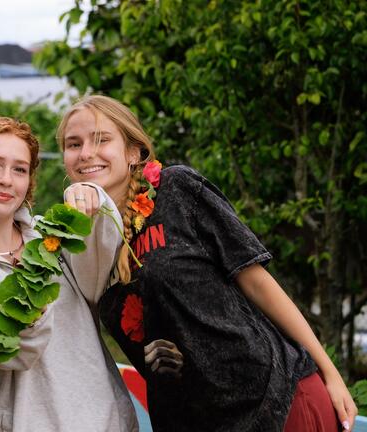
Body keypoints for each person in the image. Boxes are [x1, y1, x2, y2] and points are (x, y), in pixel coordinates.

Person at [58, 94, 357, 432]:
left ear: (133, 152)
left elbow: (256, 281)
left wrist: (329, 371)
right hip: (195, 422)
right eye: (73, 144)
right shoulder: (75, 247)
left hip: (276, 402)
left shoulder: (176, 190)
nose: (86, 153)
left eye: (101, 139)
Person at [0, 116, 139, 432]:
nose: (6, 179)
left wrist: (93, 199)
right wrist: (35, 294)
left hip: (105, 423)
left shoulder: (54, 236)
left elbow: (99, 268)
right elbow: (12, 350)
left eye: (19, 169)